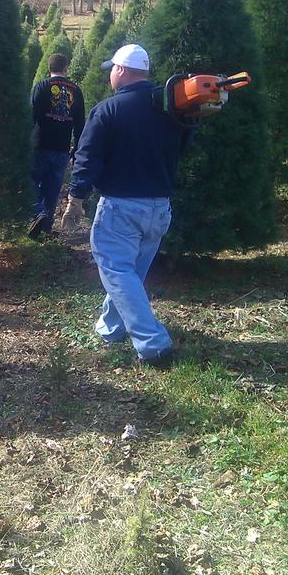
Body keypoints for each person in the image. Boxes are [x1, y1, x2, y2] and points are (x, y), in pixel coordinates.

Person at [61, 44, 192, 368]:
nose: (109, 74)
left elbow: (87, 157)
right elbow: (183, 147)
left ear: (120, 70)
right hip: (160, 208)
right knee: (130, 273)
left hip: (121, 208)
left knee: (118, 272)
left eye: (111, 69)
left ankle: (154, 344)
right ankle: (111, 328)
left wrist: (75, 198)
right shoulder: (171, 108)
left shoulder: (109, 109)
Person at [28, 52, 85, 239]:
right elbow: (80, 125)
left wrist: (25, 143)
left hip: (40, 145)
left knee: (30, 182)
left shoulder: (42, 87)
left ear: (49, 68)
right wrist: (77, 150)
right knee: (52, 190)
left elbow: (30, 117)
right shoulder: (75, 91)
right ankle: (45, 230)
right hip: (62, 150)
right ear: (66, 68)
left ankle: (38, 213)